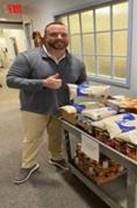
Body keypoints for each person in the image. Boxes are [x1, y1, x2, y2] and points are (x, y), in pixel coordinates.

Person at [6, 22, 87, 184]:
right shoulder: (27, 57)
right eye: (54, 34)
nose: (59, 38)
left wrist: (85, 91)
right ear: (44, 37)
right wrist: (42, 83)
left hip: (62, 108)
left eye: (63, 34)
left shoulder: (76, 63)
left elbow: (82, 82)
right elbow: (11, 80)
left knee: (56, 135)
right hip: (34, 107)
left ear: (67, 38)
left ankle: (56, 157)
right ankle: (28, 165)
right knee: (32, 138)